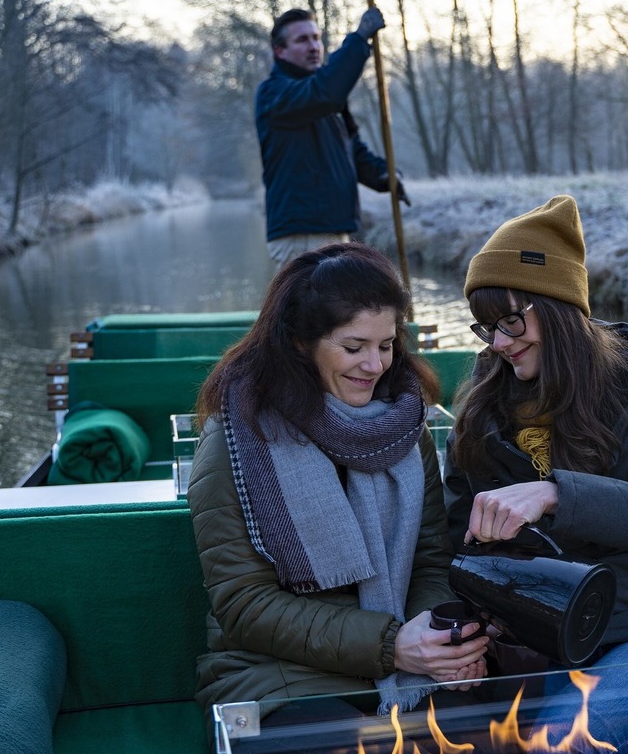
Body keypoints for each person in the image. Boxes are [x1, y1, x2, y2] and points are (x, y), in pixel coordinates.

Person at [443, 195, 628, 754]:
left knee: (561, 747)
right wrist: (467, 627)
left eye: (511, 322)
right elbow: (455, 541)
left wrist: (555, 494)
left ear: (558, 309)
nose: (498, 343)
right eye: (487, 327)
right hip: (539, 649)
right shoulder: (482, 409)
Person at [188, 242, 488, 722]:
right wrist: (392, 646)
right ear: (299, 344)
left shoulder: (405, 429)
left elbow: (430, 562)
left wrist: (436, 639)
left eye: (386, 345)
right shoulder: (237, 440)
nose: (375, 365)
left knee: (489, 746)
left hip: (405, 665)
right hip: (275, 677)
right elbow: (245, 606)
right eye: (353, 348)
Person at [255, 8, 409, 269]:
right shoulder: (275, 94)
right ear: (280, 51)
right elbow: (326, 91)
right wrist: (358, 39)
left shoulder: (323, 97)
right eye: (302, 40)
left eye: (316, 38)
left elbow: (351, 150)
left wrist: (383, 174)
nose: (314, 47)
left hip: (332, 231)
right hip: (302, 236)